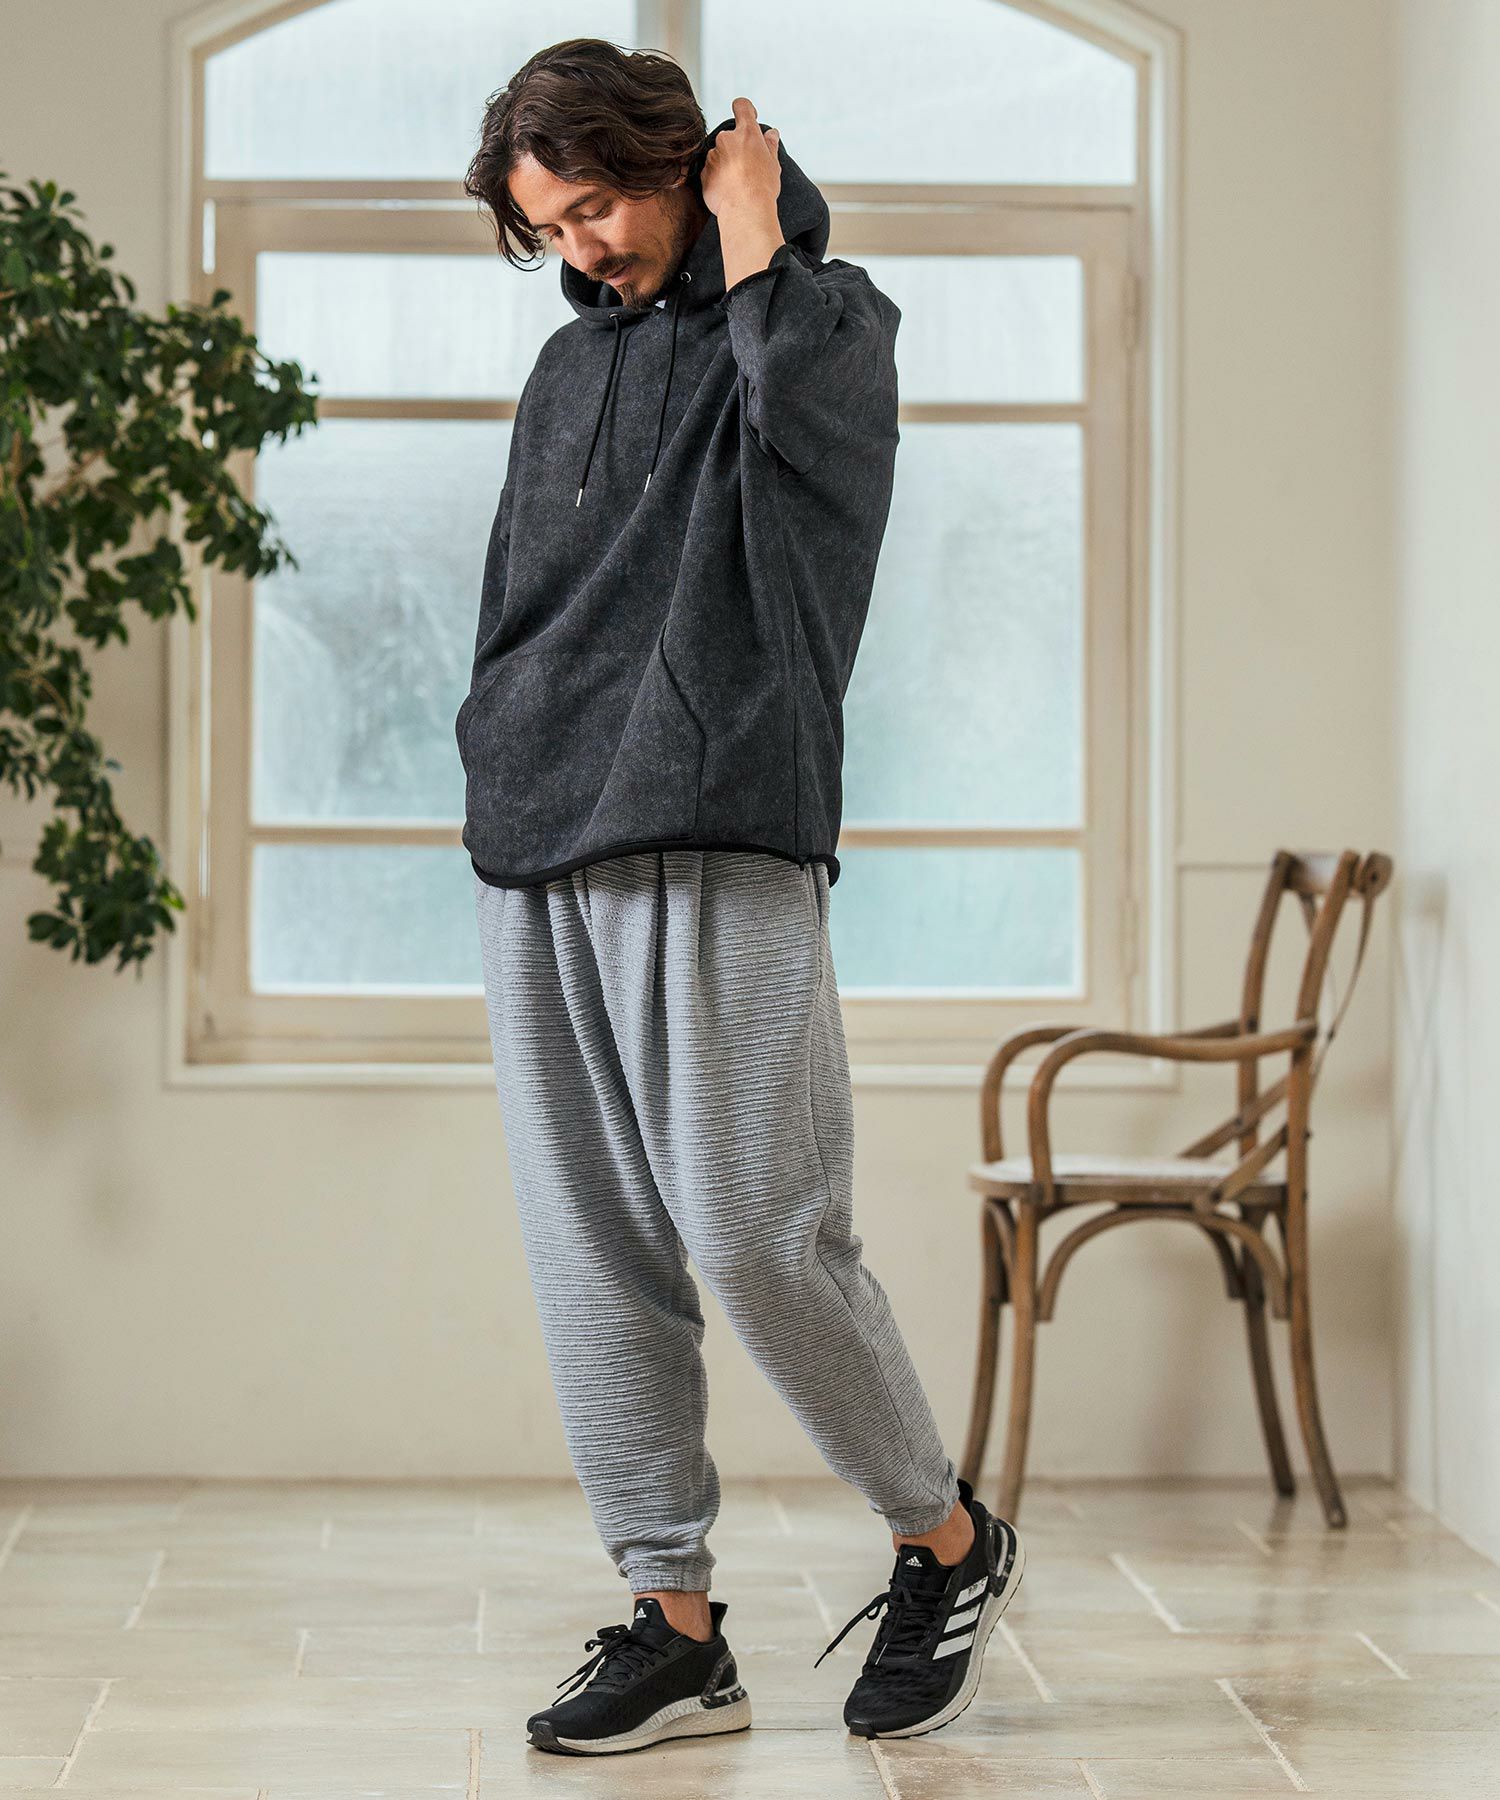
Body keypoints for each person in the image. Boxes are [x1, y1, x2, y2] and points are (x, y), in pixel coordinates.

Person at [456, 39, 1025, 1756]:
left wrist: (757, 232)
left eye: (595, 208)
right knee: (592, 1249)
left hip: (718, 819)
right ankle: (676, 1624)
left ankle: (946, 1538)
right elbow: (519, 596)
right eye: (548, 228)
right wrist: (496, 745)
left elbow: (820, 445)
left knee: (759, 1233)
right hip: (538, 835)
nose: (579, 250)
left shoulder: (823, 324)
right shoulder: (569, 366)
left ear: (679, 166)